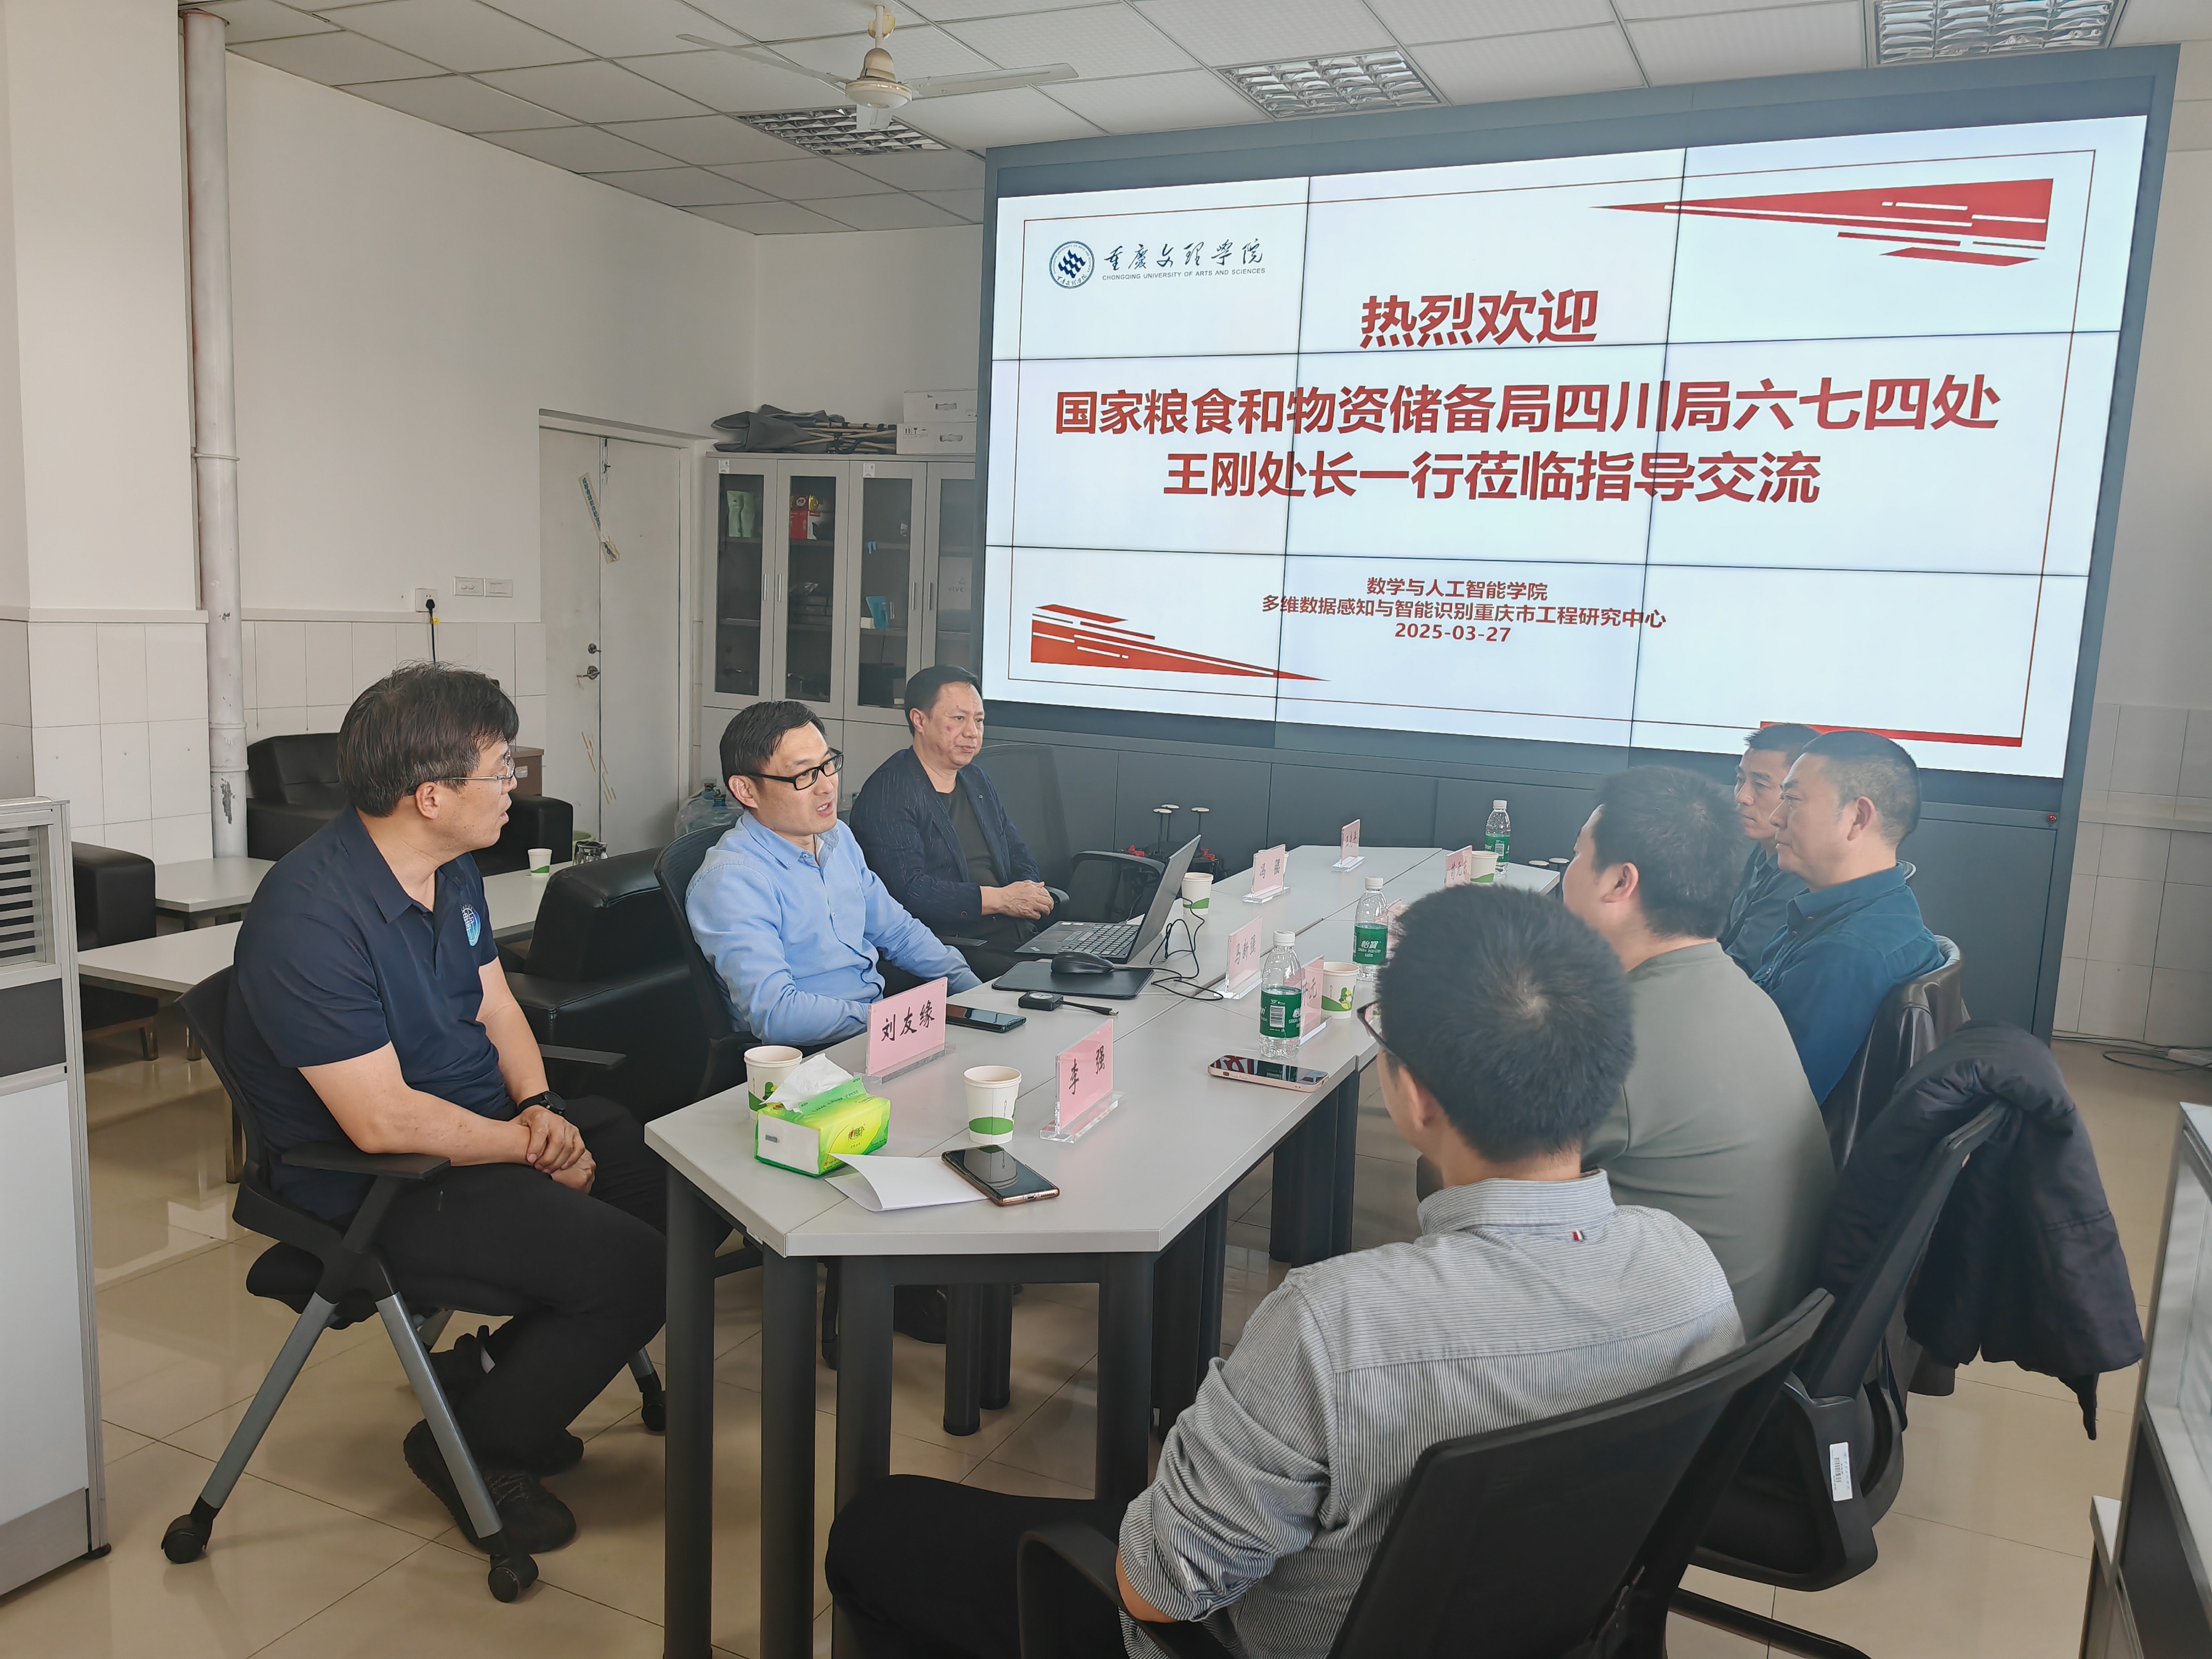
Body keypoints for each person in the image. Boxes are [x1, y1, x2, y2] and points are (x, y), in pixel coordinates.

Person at [822, 886, 1743, 1659]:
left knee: (881, 1528)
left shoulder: (1336, 1325)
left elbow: (1153, 1589)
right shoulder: (1690, 1273)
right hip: (1557, 1627)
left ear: (1415, 1095)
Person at [226, 664, 668, 1557]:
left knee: (659, 1177)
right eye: (500, 771)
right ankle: (474, 1443)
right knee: (636, 1268)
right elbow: (383, 1122)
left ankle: (492, 1377)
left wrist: (540, 1106)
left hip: (473, 1129)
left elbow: (497, 1007)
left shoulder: (450, 868)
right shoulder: (310, 919)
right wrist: (530, 1146)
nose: (514, 787)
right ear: (430, 796)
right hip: (378, 1181)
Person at [1558, 765, 1835, 1335]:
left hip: (1672, 1362)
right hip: (1757, 1340)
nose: (1567, 873)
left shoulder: (1614, 1039)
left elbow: (1487, 1189)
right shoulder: (1743, 994)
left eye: (1578, 855)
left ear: (1620, 883)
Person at [687, 700, 981, 1048]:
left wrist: (976, 994)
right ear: (746, 790)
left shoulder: (836, 837)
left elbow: (899, 932)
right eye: (804, 775)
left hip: (875, 1033)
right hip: (812, 1056)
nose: (827, 787)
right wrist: (889, 1020)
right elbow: (778, 1015)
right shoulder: (732, 880)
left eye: (828, 765)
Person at [1756, 729, 1948, 1103]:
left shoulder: (1846, 953)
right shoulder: (1884, 911)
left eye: (1792, 800)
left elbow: (1766, 1103)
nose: (1776, 817)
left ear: (1858, 818)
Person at [848, 665, 1054, 978]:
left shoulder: (975, 778)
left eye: (979, 720)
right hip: (957, 946)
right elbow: (909, 892)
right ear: (919, 720)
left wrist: (1028, 892)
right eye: (958, 719)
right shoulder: (890, 791)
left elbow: (1016, 850)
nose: (972, 732)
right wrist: (1002, 900)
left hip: (1014, 931)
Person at [1719, 723, 1819, 972]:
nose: (1741, 797)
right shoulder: (1763, 848)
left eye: (1760, 785)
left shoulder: (1800, 874)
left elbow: (1743, 967)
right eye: (1740, 780)